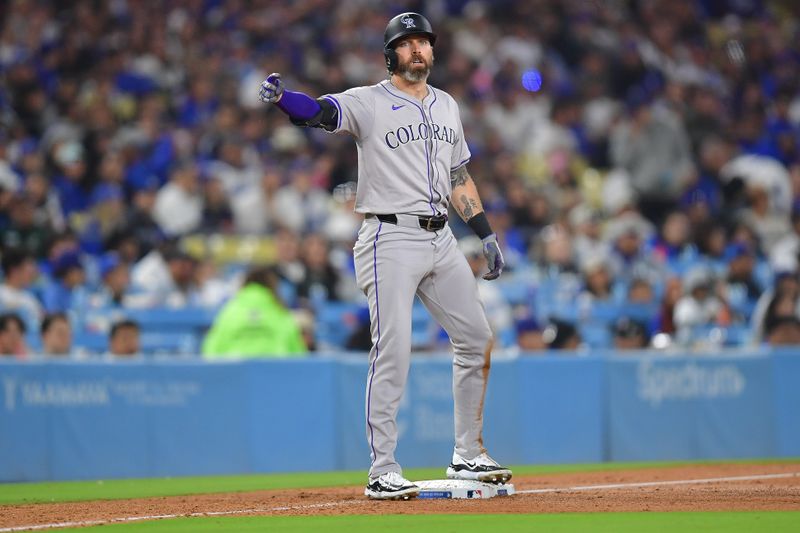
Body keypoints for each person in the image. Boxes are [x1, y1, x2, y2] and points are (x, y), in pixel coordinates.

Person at [259, 12, 510, 500]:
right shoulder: (369, 101)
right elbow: (319, 112)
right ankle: (383, 467)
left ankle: (468, 454)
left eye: (424, 42)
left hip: (441, 237)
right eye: (408, 42)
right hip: (387, 236)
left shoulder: (447, 106)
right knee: (393, 348)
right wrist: (283, 99)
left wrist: (484, 232)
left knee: (477, 337)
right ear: (390, 54)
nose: (418, 49)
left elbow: (459, 178)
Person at [201, 266, 307, 358]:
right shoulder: (280, 311)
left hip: (235, 377)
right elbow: (297, 355)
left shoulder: (229, 311)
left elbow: (211, 351)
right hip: (274, 377)